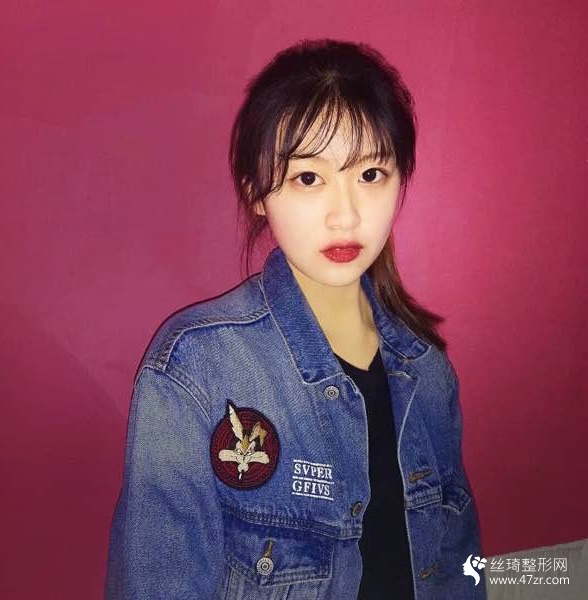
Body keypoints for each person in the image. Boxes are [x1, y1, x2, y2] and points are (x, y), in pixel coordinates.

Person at [105, 38, 486, 600]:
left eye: (371, 174)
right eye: (309, 178)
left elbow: (460, 570)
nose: (345, 215)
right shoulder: (195, 370)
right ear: (256, 192)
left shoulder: (429, 374)